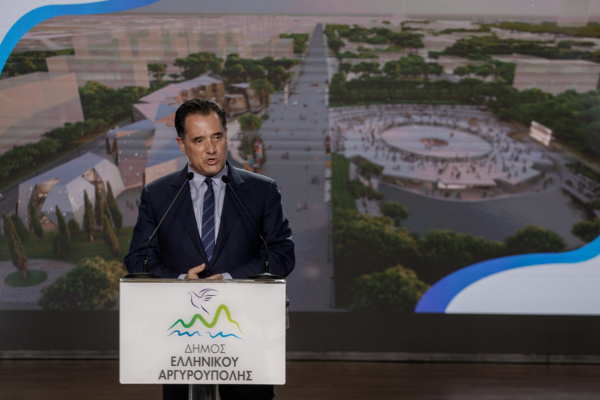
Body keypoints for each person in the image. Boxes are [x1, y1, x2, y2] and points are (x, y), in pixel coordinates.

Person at [124, 99, 295, 400]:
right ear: (182, 144)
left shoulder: (262, 191)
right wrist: (181, 283)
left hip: (247, 343)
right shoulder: (158, 195)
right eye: (199, 140)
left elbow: (281, 255)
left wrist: (229, 281)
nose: (211, 149)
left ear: (226, 135)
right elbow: (139, 260)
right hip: (182, 344)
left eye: (217, 136)